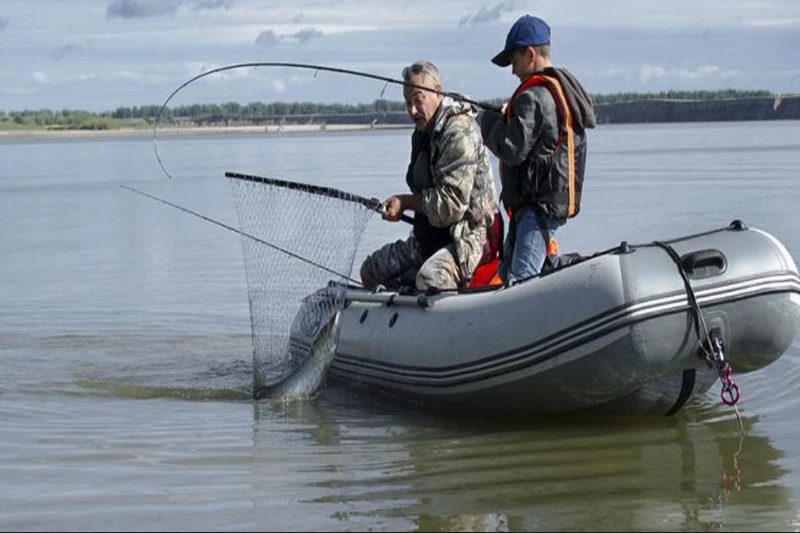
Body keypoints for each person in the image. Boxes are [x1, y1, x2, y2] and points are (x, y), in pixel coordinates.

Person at [360, 60, 499, 292]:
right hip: (429, 238)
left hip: (470, 238)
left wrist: (404, 202)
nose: (412, 110)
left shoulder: (459, 131)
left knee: (430, 278)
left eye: (418, 100)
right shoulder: (422, 132)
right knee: (370, 271)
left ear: (437, 91)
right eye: (407, 103)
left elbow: (451, 205)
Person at [480, 14, 596, 284]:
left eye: (514, 61)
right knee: (506, 270)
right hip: (540, 203)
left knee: (520, 280)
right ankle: (567, 272)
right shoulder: (561, 89)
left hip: (538, 207)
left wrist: (487, 123)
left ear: (530, 54)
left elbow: (511, 149)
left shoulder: (533, 96)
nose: (512, 70)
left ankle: (579, 272)